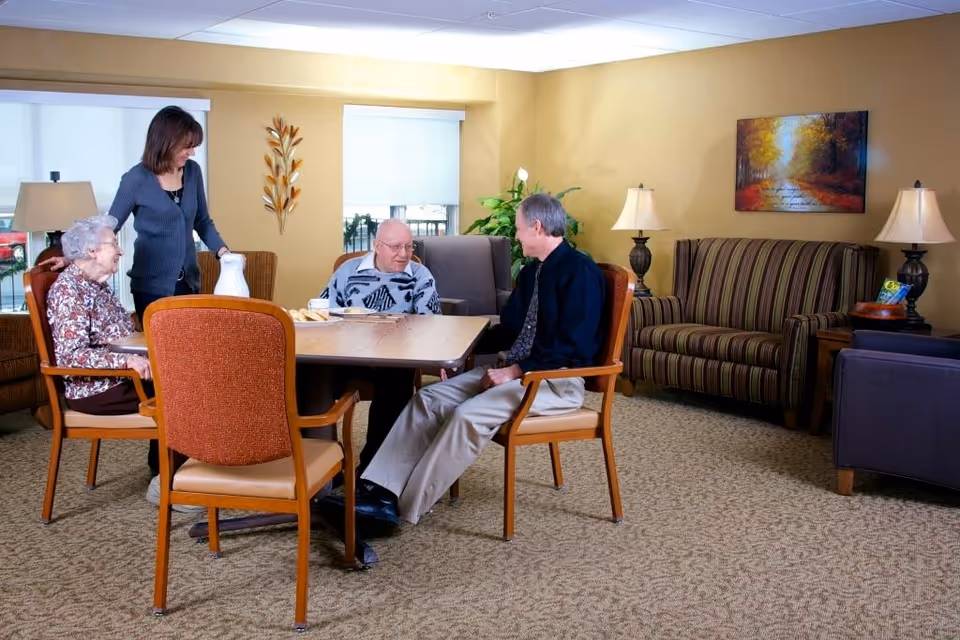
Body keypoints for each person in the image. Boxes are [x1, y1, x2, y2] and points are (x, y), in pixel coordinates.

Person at [355, 193, 606, 526]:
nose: (515, 236)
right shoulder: (532, 274)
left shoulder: (581, 273)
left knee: (467, 415)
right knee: (427, 399)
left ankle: (401, 509)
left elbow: (575, 347)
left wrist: (516, 371)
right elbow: (509, 329)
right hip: (516, 373)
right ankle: (377, 490)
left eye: (518, 229)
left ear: (537, 226)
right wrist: (460, 354)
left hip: (555, 381)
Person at [43, 105, 237, 478]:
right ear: (165, 142)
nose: (191, 153)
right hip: (152, 287)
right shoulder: (136, 179)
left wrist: (225, 254)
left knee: (189, 365)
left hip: (187, 283)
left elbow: (203, 221)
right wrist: (72, 258)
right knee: (169, 371)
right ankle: (163, 463)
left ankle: (189, 455)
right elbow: (107, 227)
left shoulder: (192, 174)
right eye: (186, 145)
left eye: (194, 146)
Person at [46, 216, 200, 512]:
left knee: (191, 373)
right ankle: (169, 484)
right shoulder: (69, 291)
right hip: (96, 389)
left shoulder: (96, 286)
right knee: (183, 392)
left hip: (121, 376)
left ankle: (167, 466)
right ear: (92, 251)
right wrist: (128, 359)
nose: (119, 251)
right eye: (113, 244)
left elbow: (124, 333)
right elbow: (70, 356)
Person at [303, 219, 441, 485]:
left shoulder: (420, 276)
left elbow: (431, 324)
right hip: (344, 355)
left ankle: (372, 473)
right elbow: (320, 312)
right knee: (307, 374)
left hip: (393, 359)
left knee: (397, 379)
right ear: (377, 246)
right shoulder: (347, 271)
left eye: (409, 247)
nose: (404, 254)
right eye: (396, 247)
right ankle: (323, 467)